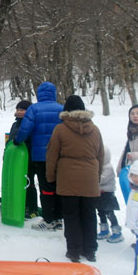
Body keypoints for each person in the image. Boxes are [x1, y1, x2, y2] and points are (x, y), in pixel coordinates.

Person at [46, 95, 104, 263]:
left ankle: (74, 251)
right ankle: (90, 250)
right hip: (90, 178)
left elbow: (52, 155)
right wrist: (96, 177)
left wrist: (50, 176)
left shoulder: (60, 129)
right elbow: (100, 155)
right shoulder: (95, 129)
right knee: (89, 214)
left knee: (71, 215)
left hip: (67, 178)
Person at [14, 81, 64, 230]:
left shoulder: (34, 109)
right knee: (58, 187)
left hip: (41, 156)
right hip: (59, 156)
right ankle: (59, 218)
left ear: (39, 94)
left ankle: (48, 219)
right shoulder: (61, 109)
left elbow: (25, 129)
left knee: (45, 187)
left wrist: (17, 140)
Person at [6, 100, 38, 218]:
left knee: (29, 182)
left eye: (22, 110)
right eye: (18, 109)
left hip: (28, 159)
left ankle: (32, 208)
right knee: (17, 182)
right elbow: (10, 140)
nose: (19, 112)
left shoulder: (30, 124)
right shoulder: (15, 124)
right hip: (14, 160)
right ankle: (21, 206)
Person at [97, 146, 124, 243]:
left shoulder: (108, 167)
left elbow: (102, 179)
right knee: (101, 213)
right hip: (99, 194)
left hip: (107, 194)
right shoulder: (98, 167)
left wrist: (92, 178)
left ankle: (117, 231)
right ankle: (104, 229)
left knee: (109, 213)